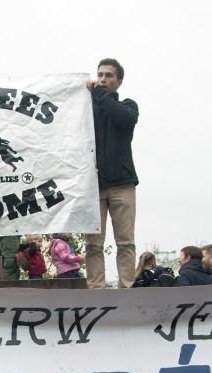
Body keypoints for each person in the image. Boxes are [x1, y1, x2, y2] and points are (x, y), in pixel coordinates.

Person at [84, 58, 139, 289]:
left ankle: (127, 289)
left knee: (125, 242)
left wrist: (97, 94)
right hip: (93, 185)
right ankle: (96, 291)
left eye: (108, 75)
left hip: (122, 185)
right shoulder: (86, 110)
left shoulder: (128, 106)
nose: (102, 79)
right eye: (99, 74)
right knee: (93, 244)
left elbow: (121, 117)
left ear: (119, 81)